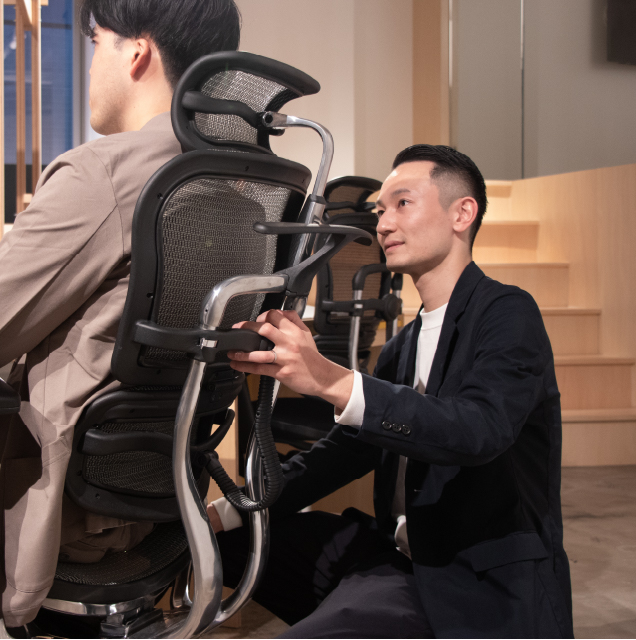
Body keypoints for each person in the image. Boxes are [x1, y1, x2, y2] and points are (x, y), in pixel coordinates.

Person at [209, 144, 574, 638]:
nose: (383, 224)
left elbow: (479, 430)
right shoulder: (404, 344)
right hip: (395, 551)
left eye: (403, 203)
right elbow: (341, 455)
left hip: (468, 577)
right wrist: (231, 510)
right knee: (227, 542)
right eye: (380, 210)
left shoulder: (508, 313)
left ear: (462, 214)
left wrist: (332, 379)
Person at [0, 0, 240, 626]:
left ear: (136, 51)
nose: (89, 64)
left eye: (95, 43)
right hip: (163, 511)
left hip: (56, 512)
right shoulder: (237, 193)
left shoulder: (104, 176)